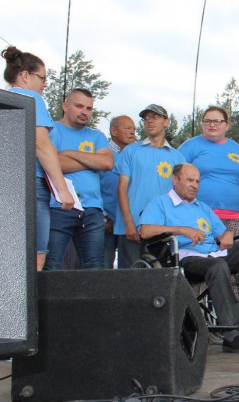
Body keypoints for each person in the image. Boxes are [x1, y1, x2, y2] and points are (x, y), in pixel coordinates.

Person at [139, 164, 239, 354]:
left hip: (214, 253)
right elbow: (145, 231)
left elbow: (221, 233)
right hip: (186, 256)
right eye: (189, 180)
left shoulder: (202, 207)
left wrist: (227, 234)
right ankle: (231, 333)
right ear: (175, 180)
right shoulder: (160, 203)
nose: (194, 185)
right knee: (218, 266)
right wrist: (181, 230)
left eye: (197, 181)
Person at [2, 45, 74, 271]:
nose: (45, 84)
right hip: (30, 186)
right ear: (25, 75)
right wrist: (62, 189)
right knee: (35, 259)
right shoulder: (30, 97)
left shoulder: (6, 98)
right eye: (42, 78)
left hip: (8, 184)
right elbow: (41, 145)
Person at [44, 89, 113, 270]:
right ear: (65, 106)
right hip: (58, 207)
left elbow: (107, 163)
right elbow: (53, 164)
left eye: (89, 108)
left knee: (95, 268)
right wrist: (92, 161)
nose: (85, 112)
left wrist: (70, 153)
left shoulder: (97, 135)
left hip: (92, 209)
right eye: (79, 106)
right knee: (51, 266)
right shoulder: (51, 131)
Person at [114, 104, 187, 268]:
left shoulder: (178, 157)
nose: (150, 121)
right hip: (132, 226)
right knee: (129, 276)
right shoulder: (131, 151)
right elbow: (121, 188)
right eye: (146, 118)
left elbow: (181, 195)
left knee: (161, 277)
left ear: (166, 122)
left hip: (162, 228)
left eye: (155, 117)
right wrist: (128, 223)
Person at [178, 106, 239, 237]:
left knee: (236, 249)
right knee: (203, 248)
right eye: (207, 121)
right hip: (199, 213)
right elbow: (176, 177)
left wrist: (230, 194)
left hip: (235, 216)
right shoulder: (190, 146)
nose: (212, 124)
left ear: (227, 125)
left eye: (217, 121)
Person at [100, 115, 137, 268]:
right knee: (102, 268)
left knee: (128, 269)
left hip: (128, 223)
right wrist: (103, 217)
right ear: (114, 131)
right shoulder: (102, 153)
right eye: (128, 128)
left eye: (134, 129)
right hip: (106, 221)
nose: (132, 132)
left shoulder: (135, 154)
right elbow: (93, 185)